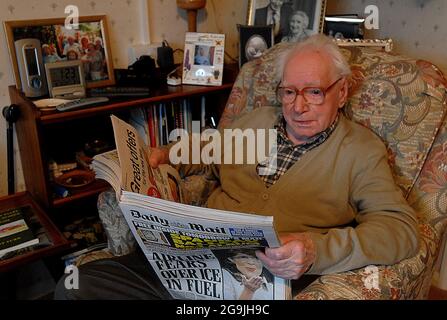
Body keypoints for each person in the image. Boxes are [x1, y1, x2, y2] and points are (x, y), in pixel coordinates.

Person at [55, 34, 419, 299]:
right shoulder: (257, 121)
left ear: (341, 92)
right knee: (78, 285)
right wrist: (163, 155)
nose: (298, 106)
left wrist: (315, 249)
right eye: (289, 92)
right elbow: (208, 148)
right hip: (191, 259)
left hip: (260, 279)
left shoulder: (360, 150)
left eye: (314, 91)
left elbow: (400, 230)